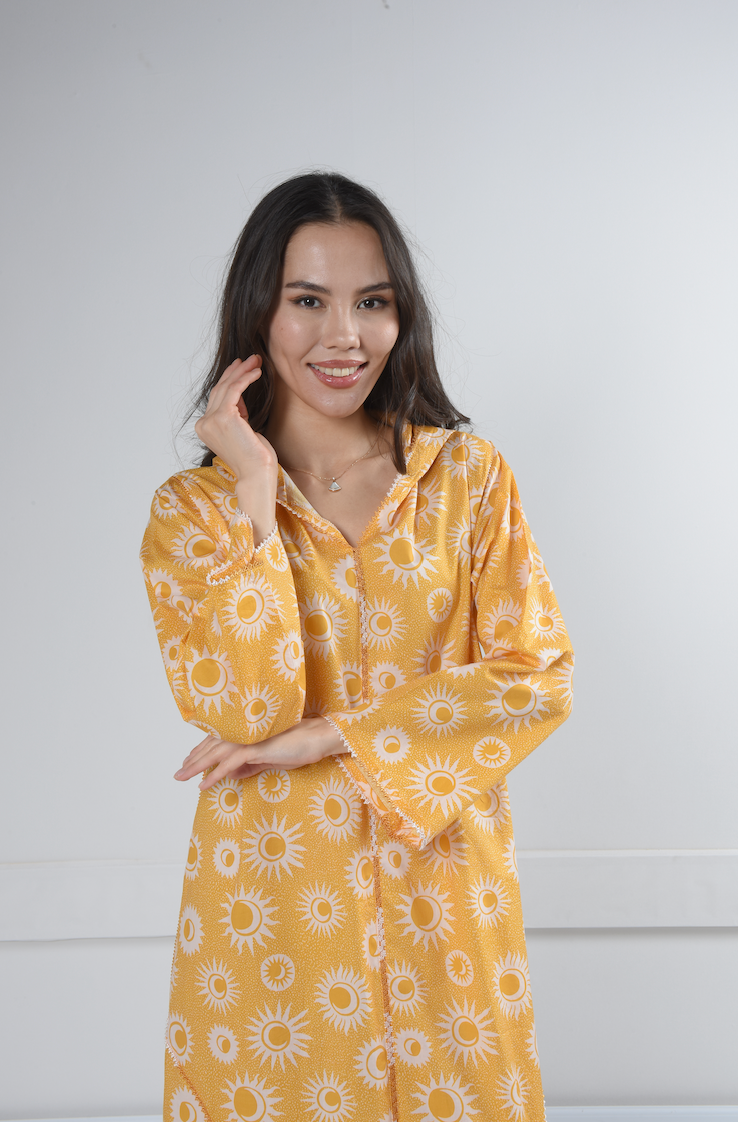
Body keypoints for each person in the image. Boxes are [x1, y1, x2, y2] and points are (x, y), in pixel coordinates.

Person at [141, 171, 574, 1122]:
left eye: (372, 302)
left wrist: (335, 734)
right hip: (274, 912)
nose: (345, 336)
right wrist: (254, 493)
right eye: (308, 301)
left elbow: (536, 675)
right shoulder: (194, 515)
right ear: (259, 312)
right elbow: (248, 710)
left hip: (445, 898)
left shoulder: (466, 479)